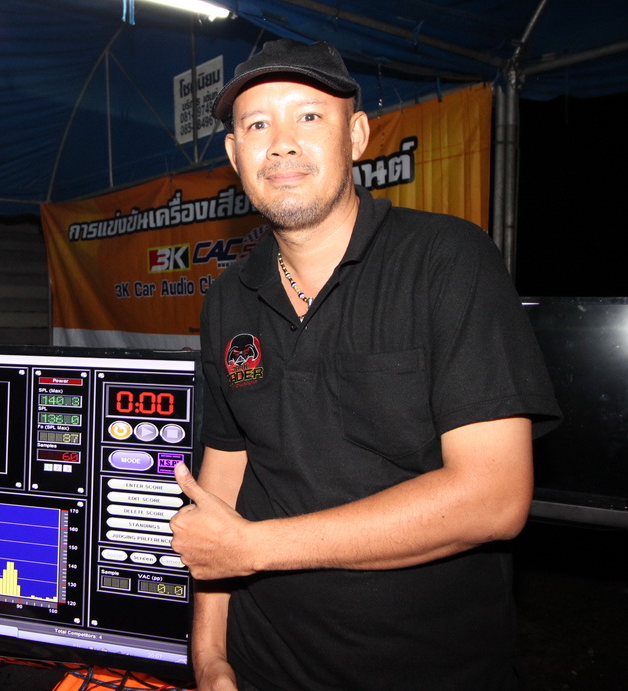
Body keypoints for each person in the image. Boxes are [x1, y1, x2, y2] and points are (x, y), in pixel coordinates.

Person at [168, 39, 561, 691]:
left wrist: (257, 548)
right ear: (235, 155)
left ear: (355, 135)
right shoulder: (229, 297)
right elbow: (222, 487)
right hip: (261, 668)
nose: (281, 144)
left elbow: (493, 496)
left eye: (308, 116)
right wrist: (209, 657)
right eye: (257, 125)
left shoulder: (446, 260)